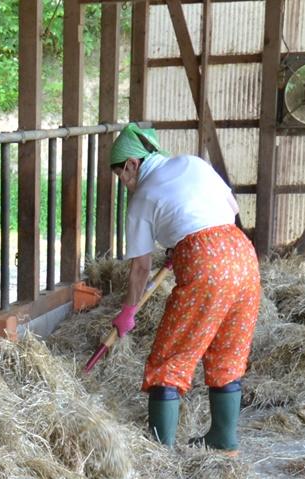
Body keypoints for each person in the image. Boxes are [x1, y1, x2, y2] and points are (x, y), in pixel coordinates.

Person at [108, 123, 260, 454]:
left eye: (121, 175)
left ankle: (159, 451)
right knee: (228, 350)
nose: (124, 184)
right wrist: (184, 244)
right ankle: (224, 440)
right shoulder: (193, 163)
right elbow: (230, 211)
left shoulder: (142, 199)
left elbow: (140, 268)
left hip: (206, 263)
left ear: (132, 164)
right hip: (242, 255)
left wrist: (128, 311)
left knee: (170, 354)